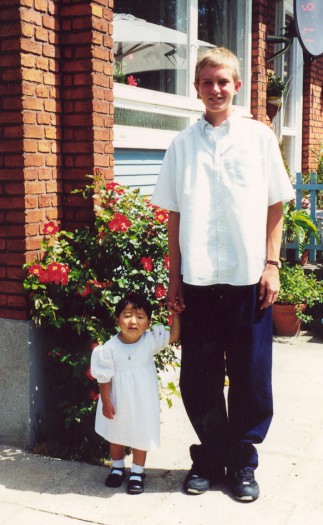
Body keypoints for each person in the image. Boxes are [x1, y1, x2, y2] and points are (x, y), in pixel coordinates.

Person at [151, 47, 295, 502]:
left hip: (248, 278)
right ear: (196, 88)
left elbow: (277, 202)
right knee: (199, 376)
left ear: (237, 86)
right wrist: (174, 278)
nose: (216, 89)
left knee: (251, 376)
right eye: (207, 82)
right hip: (197, 280)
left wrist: (271, 264)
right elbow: (173, 214)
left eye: (223, 82)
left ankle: (244, 463)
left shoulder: (258, 139)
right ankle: (211, 458)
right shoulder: (181, 145)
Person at [91, 292, 180, 495]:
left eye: (140, 317)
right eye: (128, 315)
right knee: (116, 433)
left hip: (143, 400)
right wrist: (106, 402)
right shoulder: (109, 348)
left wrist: (175, 315)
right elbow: (104, 377)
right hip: (117, 399)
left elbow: (174, 335)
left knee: (141, 432)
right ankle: (117, 467)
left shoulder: (150, 341)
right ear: (117, 319)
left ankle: (138, 472)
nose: (133, 321)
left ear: (148, 323)